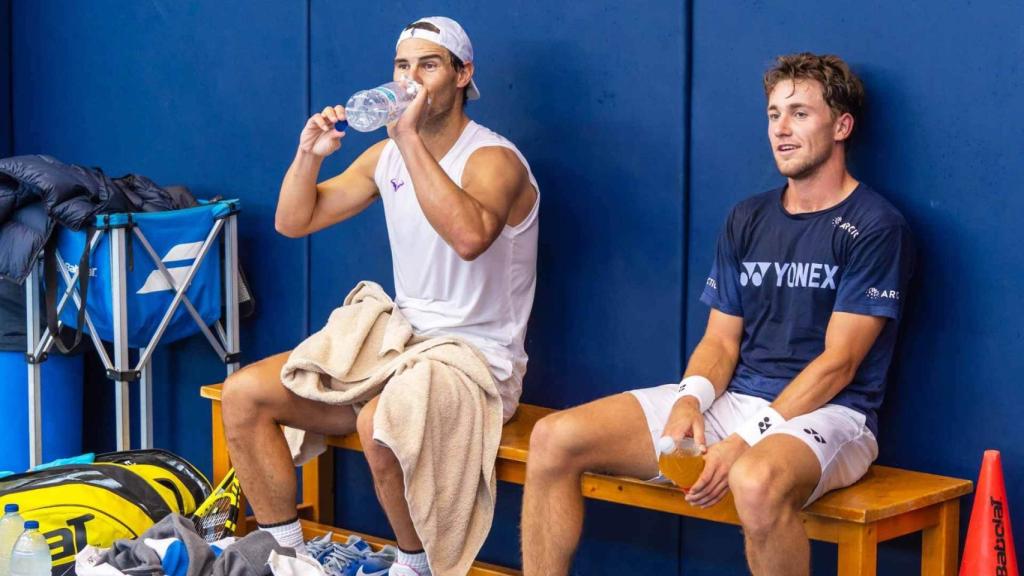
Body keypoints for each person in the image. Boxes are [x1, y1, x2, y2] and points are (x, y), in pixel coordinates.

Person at [520, 53, 913, 576]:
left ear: (842, 126)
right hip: (737, 401)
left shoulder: (876, 225)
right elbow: (721, 342)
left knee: (754, 480)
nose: (781, 129)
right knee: (553, 438)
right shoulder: (747, 217)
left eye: (799, 113)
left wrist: (746, 440)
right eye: (774, 114)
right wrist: (690, 399)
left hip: (833, 413)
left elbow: (839, 364)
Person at [221, 16, 539, 576]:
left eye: (429, 64)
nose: (411, 79)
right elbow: (294, 221)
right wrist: (310, 155)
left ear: (463, 75)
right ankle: (289, 559)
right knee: (244, 394)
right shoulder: (386, 157)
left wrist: (408, 139)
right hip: (401, 348)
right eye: (402, 65)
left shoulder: (494, 159)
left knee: (380, 425)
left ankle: (415, 567)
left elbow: (468, 238)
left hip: (477, 363)